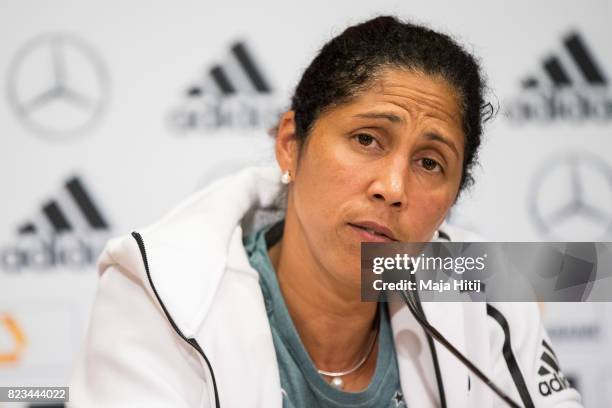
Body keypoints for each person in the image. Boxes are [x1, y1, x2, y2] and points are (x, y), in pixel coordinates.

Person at [69, 16, 583, 408]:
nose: (393, 187)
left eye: (430, 162)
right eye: (367, 139)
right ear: (291, 145)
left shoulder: (487, 292)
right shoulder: (158, 294)